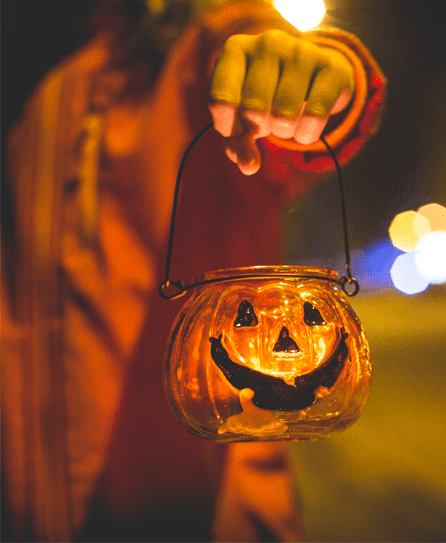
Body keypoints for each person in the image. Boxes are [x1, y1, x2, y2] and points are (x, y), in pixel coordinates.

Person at [0, 0, 386, 540]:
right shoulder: (31, 77)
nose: (280, 344)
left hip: (206, 509)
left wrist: (305, 71)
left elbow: (258, 56)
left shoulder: (198, 47)